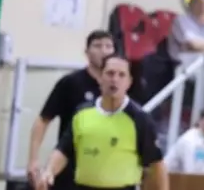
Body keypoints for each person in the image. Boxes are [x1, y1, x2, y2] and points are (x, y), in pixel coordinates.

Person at [34, 55, 168, 190]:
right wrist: (49, 172)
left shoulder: (139, 118)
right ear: (100, 78)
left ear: (129, 82)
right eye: (110, 73)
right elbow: (63, 150)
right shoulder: (82, 113)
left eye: (121, 75)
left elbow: (157, 164)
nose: (115, 79)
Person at [27, 31, 116, 190]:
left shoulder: (117, 88)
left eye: (108, 46)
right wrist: (33, 160)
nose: (104, 51)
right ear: (87, 52)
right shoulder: (70, 83)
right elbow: (43, 120)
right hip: (69, 164)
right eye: (97, 46)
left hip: (103, 168)